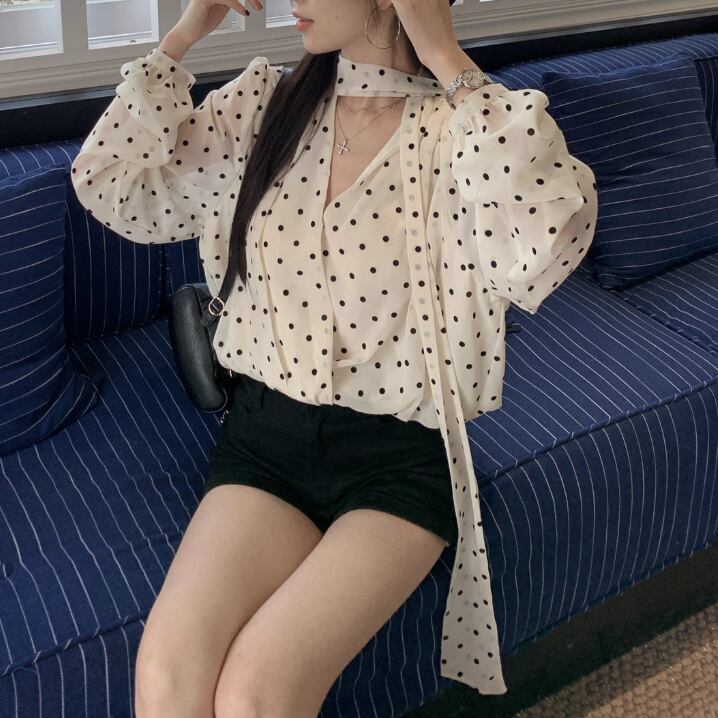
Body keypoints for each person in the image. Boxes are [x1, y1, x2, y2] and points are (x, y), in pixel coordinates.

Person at [70, 0, 598, 715]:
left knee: (255, 693)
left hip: (397, 460)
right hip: (263, 444)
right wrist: (188, 30)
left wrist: (446, 57)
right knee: (166, 674)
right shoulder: (262, 111)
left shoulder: (464, 134)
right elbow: (112, 183)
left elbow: (550, 240)